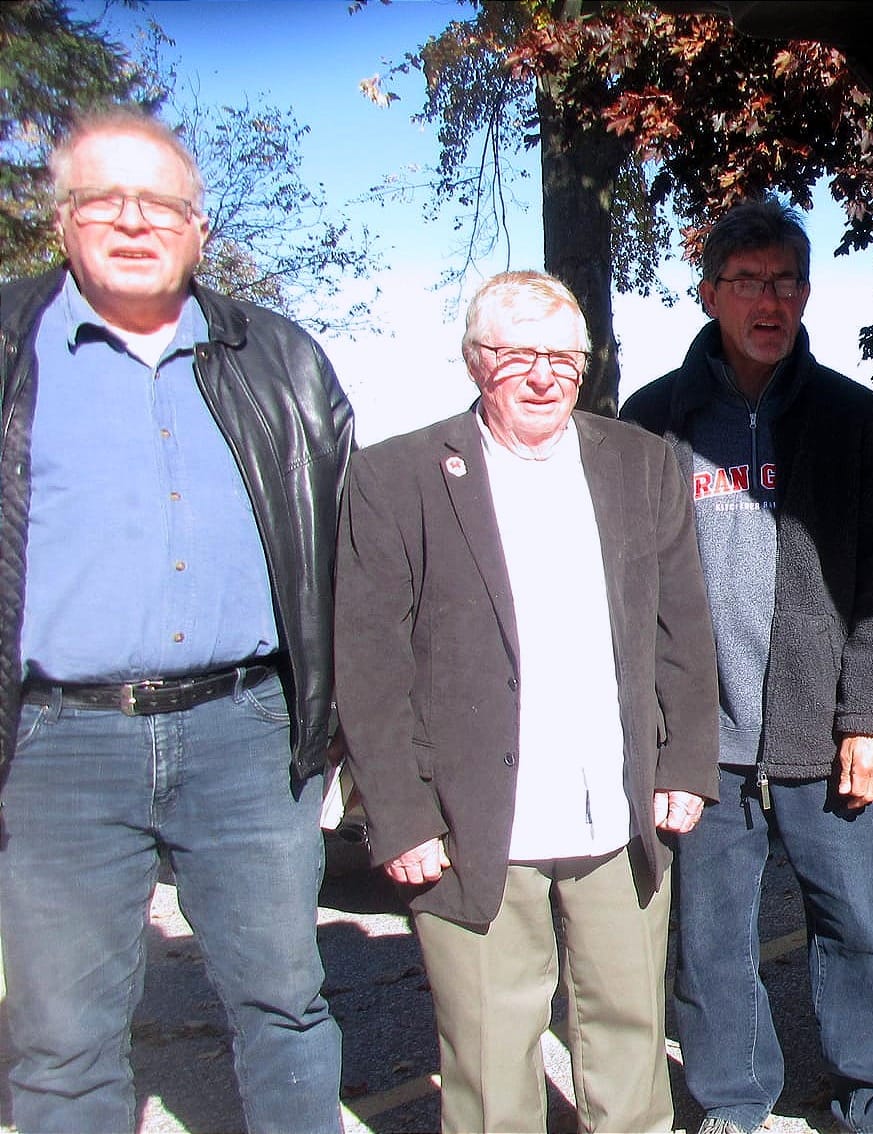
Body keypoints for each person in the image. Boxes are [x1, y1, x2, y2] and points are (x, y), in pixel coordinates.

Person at [0, 108, 350, 1132]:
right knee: (63, 1038)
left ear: (198, 226)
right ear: (59, 218)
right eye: (104, 198)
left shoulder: (279, 359)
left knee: (287, 1004)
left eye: (159, 202)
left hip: (244, 732)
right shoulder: (11, 352)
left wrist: (342, 722)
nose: (134, 221)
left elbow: (340, 544)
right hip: (56, 743)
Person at [335, 270, 720, 1134]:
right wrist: (397, 815)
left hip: (617, 809)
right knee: (488, 1054)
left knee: (627, 1034)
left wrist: (687, 763)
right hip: (472, 821)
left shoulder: (638, 462)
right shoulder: (396, 478)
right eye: (518, 356)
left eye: (563, 358)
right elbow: (369, 661)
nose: (543, 376)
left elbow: (682, 631)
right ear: (477, 362)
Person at [620, 198, 873, 1134]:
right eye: (747, 281)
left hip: (822, 729)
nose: (769, 300)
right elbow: (628, 584)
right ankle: (732, 1101)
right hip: (702, 738)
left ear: (805, 293)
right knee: (711, 943)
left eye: (786, 281)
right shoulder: (652, 422)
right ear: (709, 293)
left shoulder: (853, 418)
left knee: (854, 931)